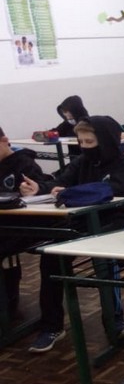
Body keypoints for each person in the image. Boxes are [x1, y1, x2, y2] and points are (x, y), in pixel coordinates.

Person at [20, 116, 124, 353]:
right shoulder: (82, 162)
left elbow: (110, 190)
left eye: (89, 142)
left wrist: (70, 192)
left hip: (116, 222)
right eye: (81, 142)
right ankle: (52, 325)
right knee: (50, 257)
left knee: (105, 257)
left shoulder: (123, 165)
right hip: (82, 222)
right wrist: (40, 188)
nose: (84, 147)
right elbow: (60, 182)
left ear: (105, 141)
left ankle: (115, 321)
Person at [0, 126, 53, 319]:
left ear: (4, 141)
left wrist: (31, 191)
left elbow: (40, 193)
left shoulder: (25, 164)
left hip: (25, 226)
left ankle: (8, 304)